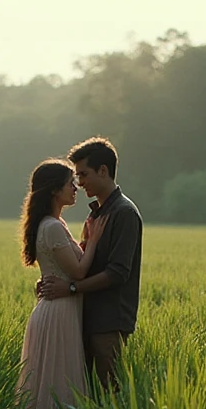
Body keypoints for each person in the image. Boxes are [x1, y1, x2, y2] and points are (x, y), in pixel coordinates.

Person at [40, 137, 143, 391]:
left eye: (83, 174)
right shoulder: (97, 212)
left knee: (108, 393)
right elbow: (84, 260)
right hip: (85, 316)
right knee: (84, 394)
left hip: (109, 320)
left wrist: (71, 289)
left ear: (103, 171)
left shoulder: (124, 213)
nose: (79, 182)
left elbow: (117, 273)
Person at [17, 159, 108, 409]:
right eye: (70, 182)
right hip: (58, 312)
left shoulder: (54, 224)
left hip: (58, 309)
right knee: (55, 388)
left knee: (51, 386)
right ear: (55, 190)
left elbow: (66, 265)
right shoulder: (52, 226)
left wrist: (82, 243)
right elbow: (79, 271)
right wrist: (93, 241)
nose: (76, 187)